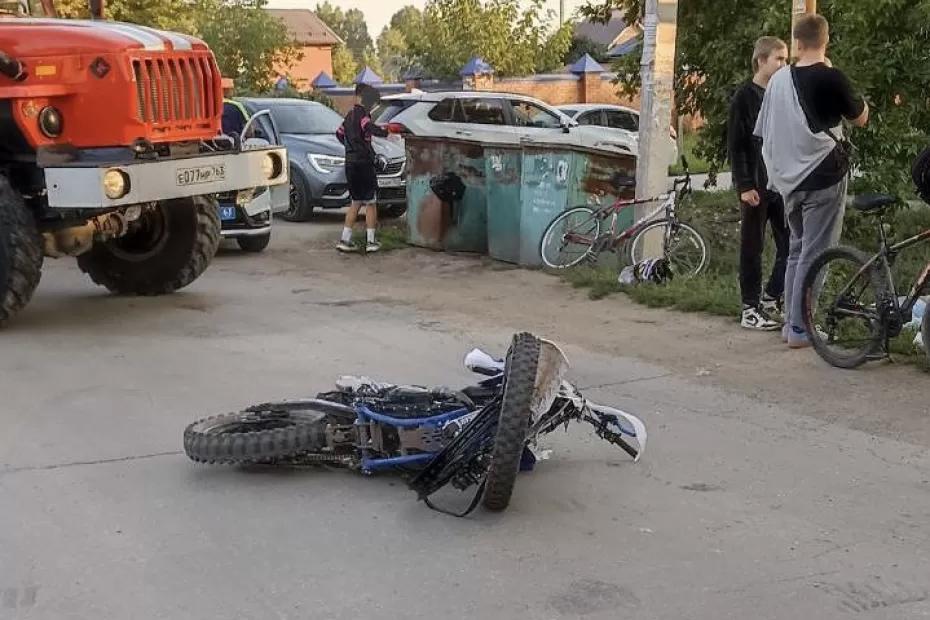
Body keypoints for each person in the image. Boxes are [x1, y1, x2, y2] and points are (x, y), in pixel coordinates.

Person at [754, 14, 869, 348]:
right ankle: (802, 328)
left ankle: (791, 324)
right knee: (816, 253)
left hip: (788, 180)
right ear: (826, 39)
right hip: (823, 176)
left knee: (796, 251)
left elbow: (764, 130)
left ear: (797, 43)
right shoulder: (831, 78)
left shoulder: (778, 80)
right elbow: (860, 118)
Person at [727, 36, 790, 331]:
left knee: (790, 245)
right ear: (761, 60)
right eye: (778, 59)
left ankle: (771, 297)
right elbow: (737, 145)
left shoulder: (783, 93)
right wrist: (745, 185)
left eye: (786, 59)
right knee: (752, 247)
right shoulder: (745, 96)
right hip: (755, 185)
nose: (783, 64)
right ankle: (749, 309)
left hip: (781, 184)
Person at [336, 84, 388, 253]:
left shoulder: (348, 116)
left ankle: (345, 239)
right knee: (371, 202)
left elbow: (339, 133)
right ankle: (371, 241)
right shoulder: (363, 115)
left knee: (355, 202)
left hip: (350, 163)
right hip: (364, 164)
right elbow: (368, 127)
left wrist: (350, 147)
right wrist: (385, 131)